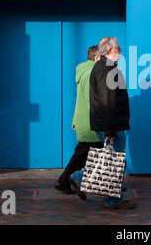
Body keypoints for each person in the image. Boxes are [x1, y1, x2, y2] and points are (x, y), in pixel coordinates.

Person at [88, 36, 135, 209]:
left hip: (112, 124)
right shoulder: (106, 70)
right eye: (118, 48)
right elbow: (107, 102)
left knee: (112, 162)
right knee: (115, 163)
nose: (120, 50)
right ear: (109, 51)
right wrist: (110, 131)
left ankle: (78, 178)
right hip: (111, 125)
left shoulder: (108, 68)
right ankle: (114, 200)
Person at [54, 45, 102, 199]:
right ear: (96, 58)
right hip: (92, 121)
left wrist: (76, 119)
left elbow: (80, 98)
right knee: (95, 154)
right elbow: (91, 100)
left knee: (83, 153)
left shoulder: (85, 71)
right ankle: (72, 180)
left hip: (85, 119)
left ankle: (64, 181)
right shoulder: (92, 73)